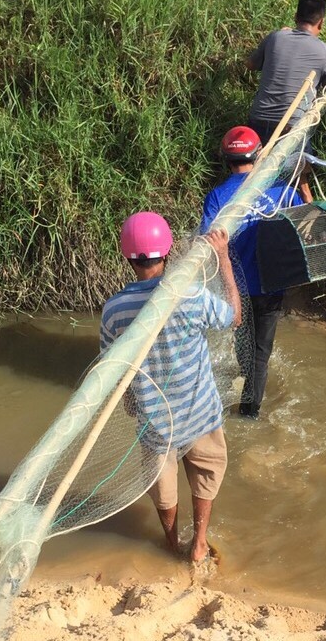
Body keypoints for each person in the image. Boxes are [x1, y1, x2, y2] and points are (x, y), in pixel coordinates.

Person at [99, 211, 241, 564]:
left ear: (127, 256)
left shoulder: (114, 310)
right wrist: (223, 257)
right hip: (200, 413)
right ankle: (199, 544)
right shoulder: (190, 295)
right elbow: (233, 316)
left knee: (163, 489)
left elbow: (114, 369)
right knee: (206, 473)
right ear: (168, 251)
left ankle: (171, 542)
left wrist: (132, 404)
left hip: (155, 423)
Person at [199, 126, 303, 419]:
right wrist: (305, 180)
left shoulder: (218, 197)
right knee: (261, 351)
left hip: (236, 285)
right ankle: (250, 412)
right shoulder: (282, 191)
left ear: (226, 159)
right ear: (259, 155)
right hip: (273, 284)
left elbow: (208, 241)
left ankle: (246, 391)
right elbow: (304, 224)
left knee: (244, 341)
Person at [245, 0, 326, 202]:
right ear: (321, 22)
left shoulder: (275, 38)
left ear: (295, 17)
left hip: (257, 121)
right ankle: (305, 202)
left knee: (256, 177)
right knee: (299, 172)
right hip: (291, 129)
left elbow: (250, 64)